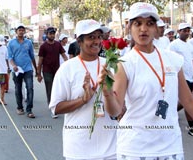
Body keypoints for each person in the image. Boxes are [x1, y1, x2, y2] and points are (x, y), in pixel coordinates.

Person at [98, 2, 193, 160]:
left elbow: (189, 101)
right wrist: (107, 93)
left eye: (149, 23)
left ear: (156, 28)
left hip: (170, 147)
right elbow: (115, 111)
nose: (143, 29)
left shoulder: (173, 60)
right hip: (135, 148)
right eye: (137, 23)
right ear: (129, 28)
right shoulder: (124, 63)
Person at [49, 19, 117, 160]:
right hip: (79, 149)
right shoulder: (67, 69)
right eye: (91, 37)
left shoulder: (110, 66)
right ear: (79, 41)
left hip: (111, 148)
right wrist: (83, 100)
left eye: (99, 36)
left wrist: (110, 94)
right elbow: (56, 108)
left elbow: (121, 106)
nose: (97, 41)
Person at [37, 27, 68, 118]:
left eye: (53, 33)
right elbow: (40, 61)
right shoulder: (43, 46)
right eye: (50, 34)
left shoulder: (58, 44)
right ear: (46, 35)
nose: (52, 35)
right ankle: (52, 108)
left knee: (57, 89)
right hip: (47, 71)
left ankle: (55, 104)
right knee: (50, 90)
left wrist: (69, 64)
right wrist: (38, 74)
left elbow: (64, 56)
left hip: (57, 71)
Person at [8, 24, 38, 118]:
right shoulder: (11, 43)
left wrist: (36, 69)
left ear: (24, 32)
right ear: (16, 31)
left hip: (28, 69)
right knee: (18, 89)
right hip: (17, 70)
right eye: (19, 30)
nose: (21, 31)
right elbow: (10, 57)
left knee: (30, 88)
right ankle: (20, 107)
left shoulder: (28, 42)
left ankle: (29, 110)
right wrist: (13, 66)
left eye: (22, 30)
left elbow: (32, 56)